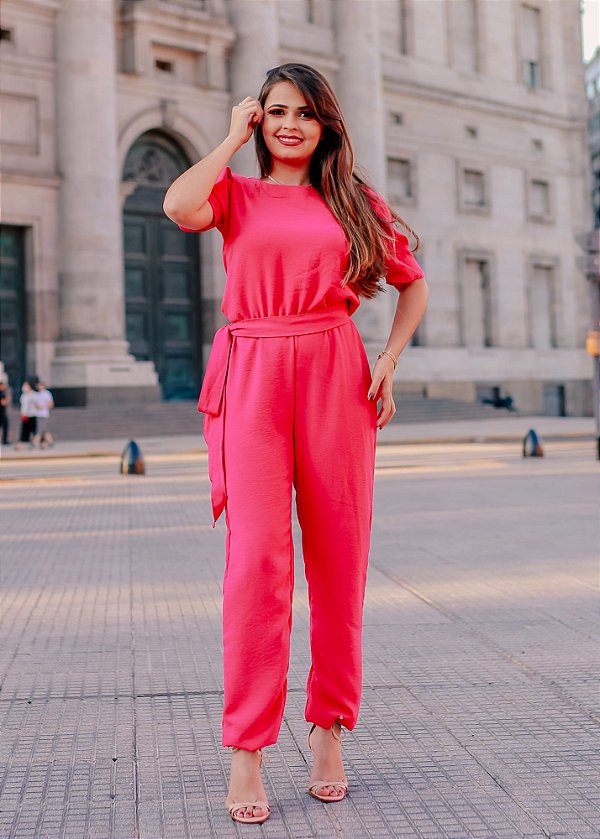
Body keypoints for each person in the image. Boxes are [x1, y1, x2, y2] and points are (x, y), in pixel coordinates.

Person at [163, 63, 429, 825]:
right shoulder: (234, 193)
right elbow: (178, 204)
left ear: (326, 126)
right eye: (277, 112)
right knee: (256, 561)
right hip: (251, 372)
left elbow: (413, 281)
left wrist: (388, 359)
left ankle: (328, 727)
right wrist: (229, 133)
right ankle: (247, 747)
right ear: (260, 119)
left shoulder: (351, 201)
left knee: (341, 554)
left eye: (305, 114)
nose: (290, 124)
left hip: (335, 372)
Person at [14, 380, 37, 449]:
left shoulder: (34, 394)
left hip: (32, 415)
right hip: (25, 415)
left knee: (34, 431)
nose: (24, 387)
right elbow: (23, 406)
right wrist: (22, 414)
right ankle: (21, 445)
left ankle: (36, 443)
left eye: (26, 385)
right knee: (24, 431)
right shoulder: (23, 395)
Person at [31, 380, 54, 448]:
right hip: (38, 414)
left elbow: (51, 404)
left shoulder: (47, 394)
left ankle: (35, 442)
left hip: (44, 414)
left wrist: (43, 407)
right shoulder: (37, 394)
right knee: (44, 430)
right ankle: (50, 441)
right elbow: (35, 405)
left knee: (40, 430)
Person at [0, 378, 12, 445]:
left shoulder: (4, 392)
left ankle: (4, 440)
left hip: (3, 413)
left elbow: (7, 401)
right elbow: (3, 402)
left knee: (5, 427)